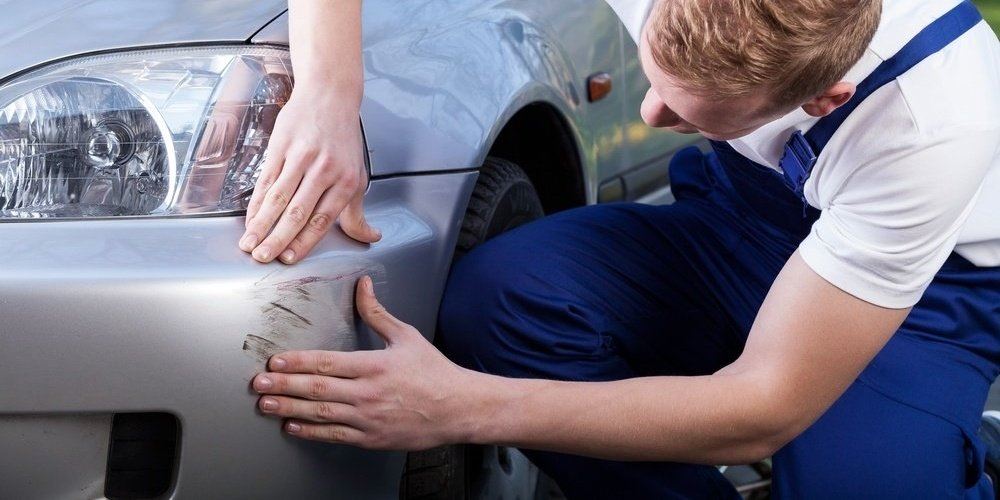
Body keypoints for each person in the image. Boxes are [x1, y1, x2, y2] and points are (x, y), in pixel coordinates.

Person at [247, 0, 1000, 497]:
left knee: (870, 483)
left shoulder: (935, 118)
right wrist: (327, 91)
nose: (650, 108)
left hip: (923, 296)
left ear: (823, 99)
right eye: (657, 73)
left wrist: (462, 410)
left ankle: (946, 448)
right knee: (501, 301)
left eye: (690, 113)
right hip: (741, 225)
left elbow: (764, 406)